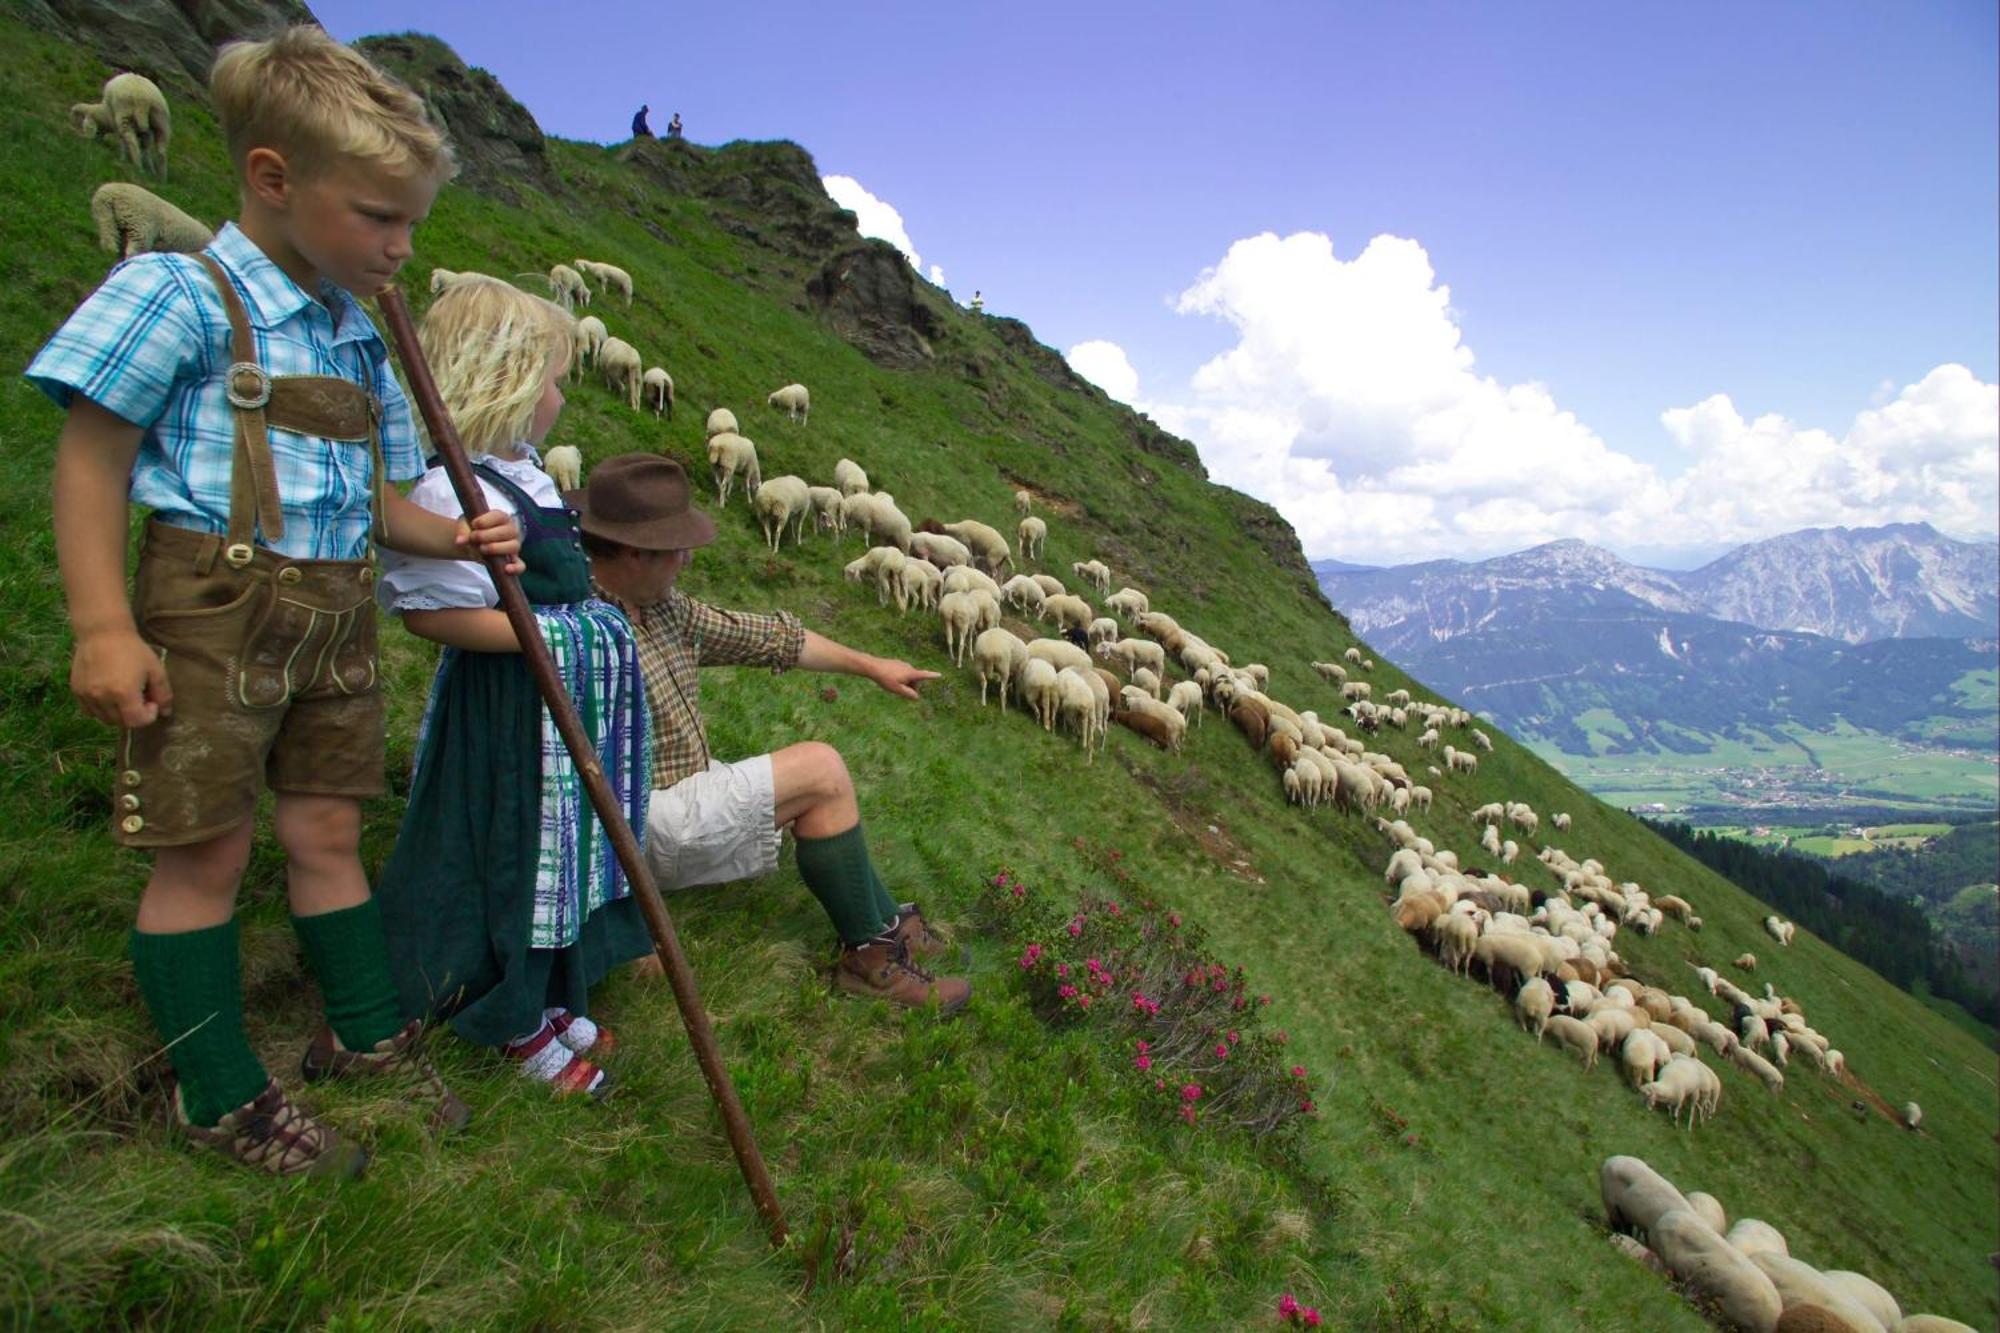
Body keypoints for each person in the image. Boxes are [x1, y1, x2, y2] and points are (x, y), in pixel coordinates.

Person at [27, 27, 523, 1177]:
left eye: (412, 224)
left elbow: (379, 498)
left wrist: (453, 532)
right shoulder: (179, 293)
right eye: (377, 218)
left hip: (337, 622)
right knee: (205, 849)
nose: (400, 248)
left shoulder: (363, 337)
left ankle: (364, 1031)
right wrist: (104, 627)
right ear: (272, 179)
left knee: (327, 827)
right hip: (213, 613)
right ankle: (221, 1092)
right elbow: (90, 458)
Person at [373, 278, 652, 1098]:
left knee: (560, 850)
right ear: (510, 381)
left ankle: (548, 992)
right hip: (507, 715)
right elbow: (434, 618)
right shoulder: (451, 492)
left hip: (553, 708)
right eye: (556, 380)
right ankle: (509, 1015)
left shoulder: (522, 473)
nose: (564, 396)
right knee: (516, 853)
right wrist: (565, 636)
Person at [576, 455, 972, 1012]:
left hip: (678, 793)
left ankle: (884, 928)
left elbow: (769, 638)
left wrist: (871, 665)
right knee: (820, 770)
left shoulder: (663, 608)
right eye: (676, 547)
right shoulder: (578, 628)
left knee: (808, 790)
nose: (688, 558)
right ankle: (870, 963)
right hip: (631, 827)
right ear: (635, 551)